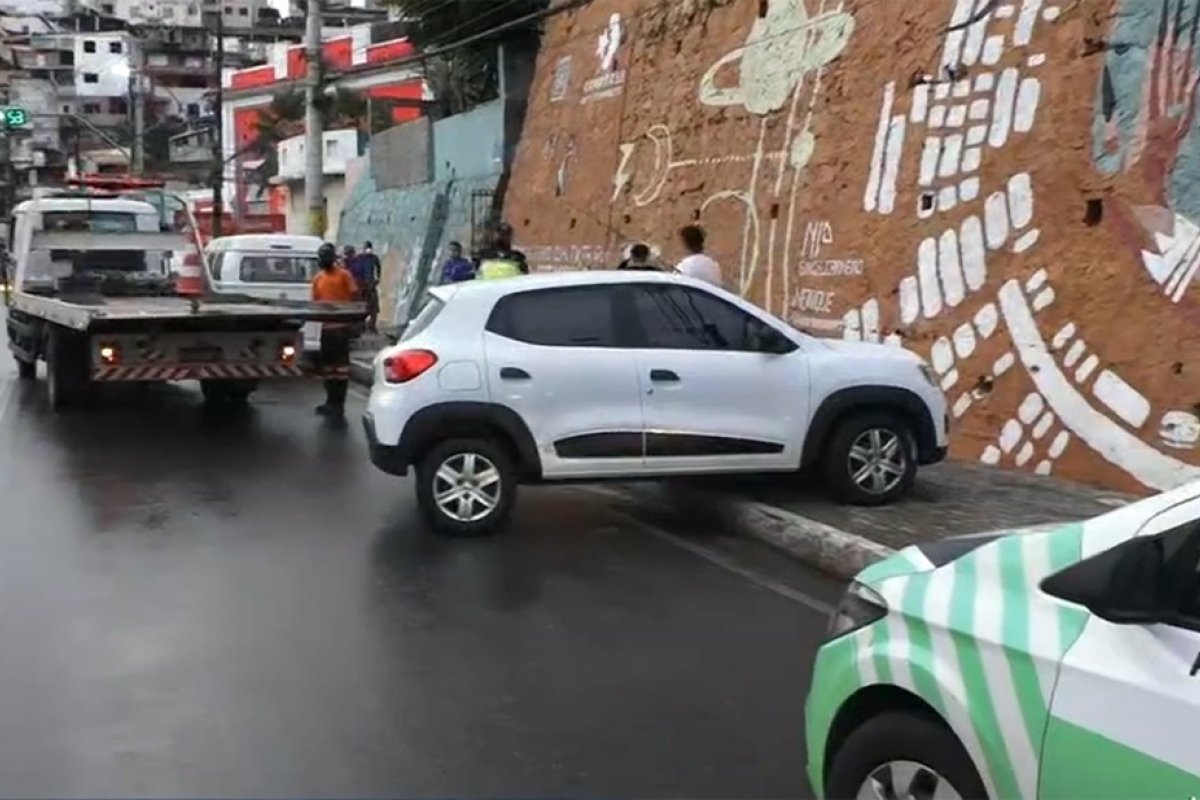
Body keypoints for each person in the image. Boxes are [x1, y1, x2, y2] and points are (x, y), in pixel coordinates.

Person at [311, 241, 358, 417]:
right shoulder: (318, 279)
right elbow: (316, 303)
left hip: (341, 328)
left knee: (341, 368)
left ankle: (339, 403)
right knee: (329, 368)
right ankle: (331, 401)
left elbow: (354, 296)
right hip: (326, 329)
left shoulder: (344, 276)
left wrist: (354, 321)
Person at [349, 241, 382, 333]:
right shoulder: (359, 258)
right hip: (362, 286)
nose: (368, 250)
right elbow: (354, 271)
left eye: (369, 248)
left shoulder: (374, 258)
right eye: (366, 248)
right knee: (362, 306)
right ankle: (361, 325)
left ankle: (372, 326)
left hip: (370, 285)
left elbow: (378, 270)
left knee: (373, 307)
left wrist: (376, 280)